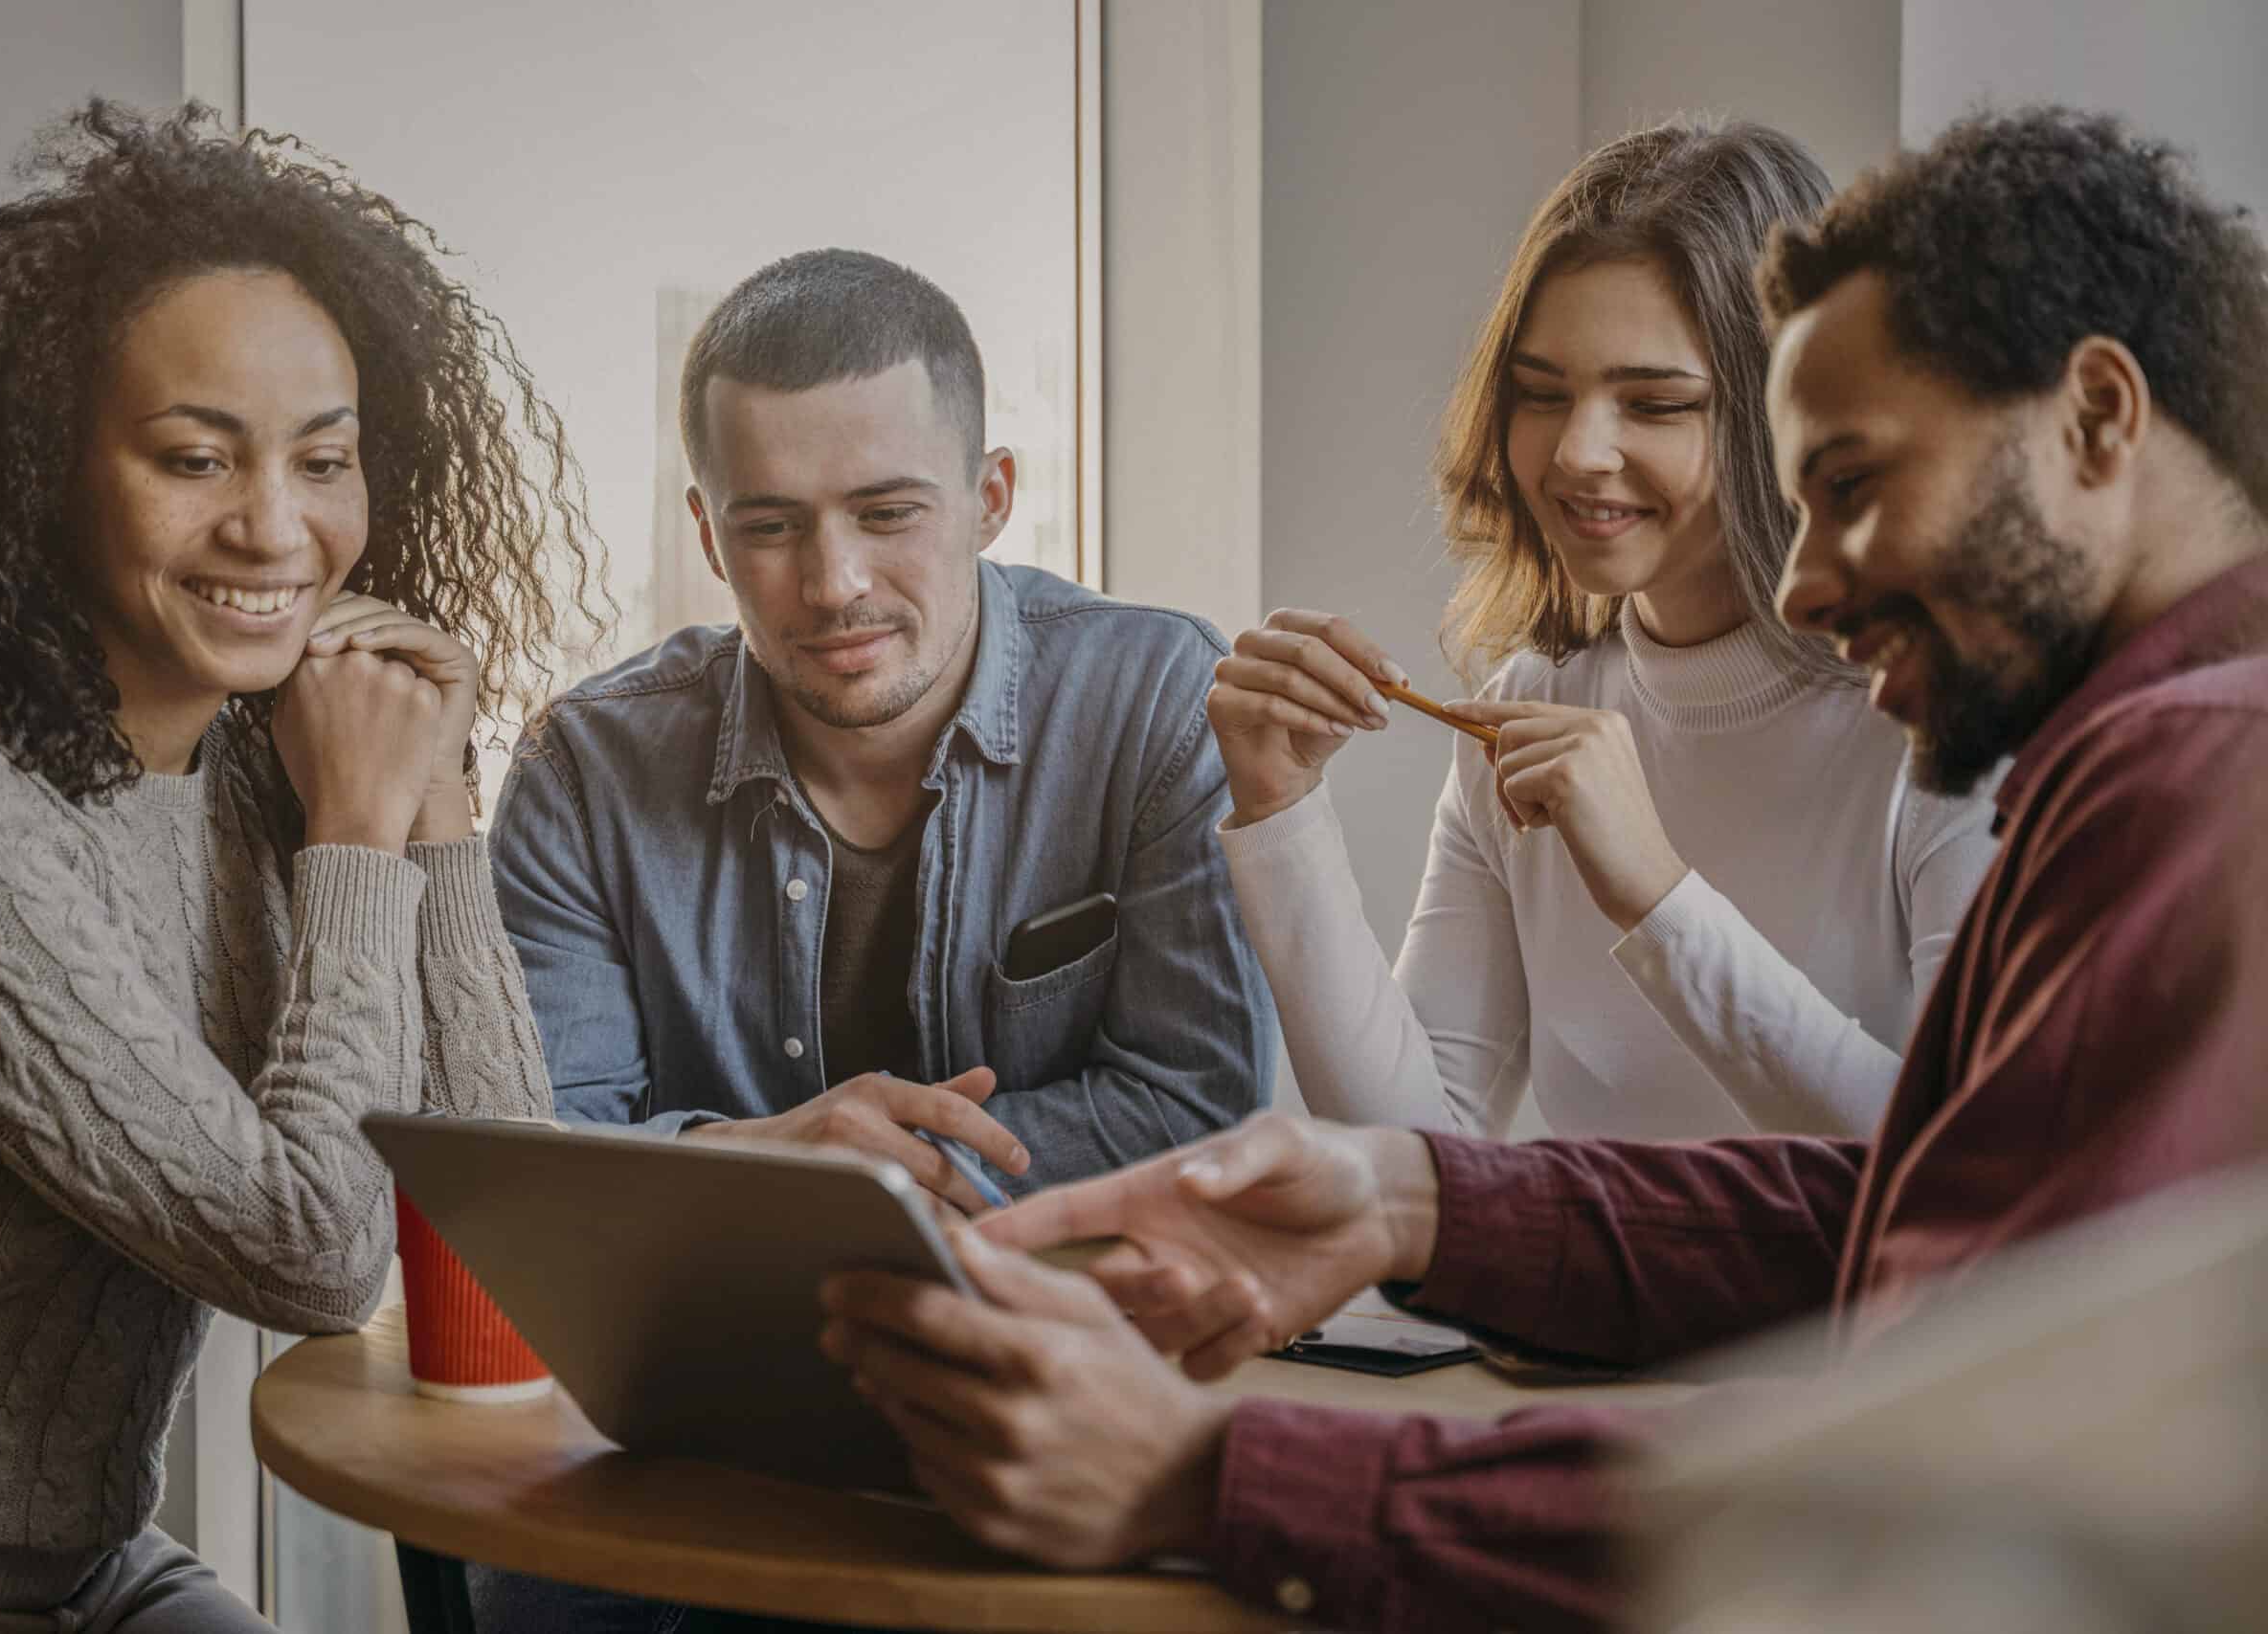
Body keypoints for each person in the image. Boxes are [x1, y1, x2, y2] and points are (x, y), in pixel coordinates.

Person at [818, 107, 2268, 1633]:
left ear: (2102, 417)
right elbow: (1904, 1212)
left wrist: (1222, 1472)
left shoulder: (2183, 766)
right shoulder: (2129, 746)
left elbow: (1952, 1443)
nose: (1811, 575)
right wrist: (1412, 1197)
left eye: (1847, 483)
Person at [0, 102, 601, 1629]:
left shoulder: (270, 759)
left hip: (90, 1571)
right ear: (51, 467)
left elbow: (503, 1194)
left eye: (324, 460)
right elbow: (311, 1255)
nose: (273, 528)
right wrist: (359, 836)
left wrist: (433, 801)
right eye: (194, 457)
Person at [1209, 121, 1998, 1140]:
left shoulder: (1946, 724)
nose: (1577, 452)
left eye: (1654, 403)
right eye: (1541, 394)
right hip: (1590, 1304)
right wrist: (1282, 814)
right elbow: (1417, 1153)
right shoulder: (1527, 709)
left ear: (1788, 415)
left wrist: (1657, 895)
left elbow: (1956, 1174)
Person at [486, 248, 1276, 1210]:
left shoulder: (1156, 699)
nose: (834, 585)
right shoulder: (582, 770)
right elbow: (548, 1149)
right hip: (696, 1339)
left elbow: (1199, 1111)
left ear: (990, 499)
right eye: (771, 528)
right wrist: (781, 1157)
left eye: (888, 513)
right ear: (707, 534)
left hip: (1076, 1328)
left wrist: (845, 1168)